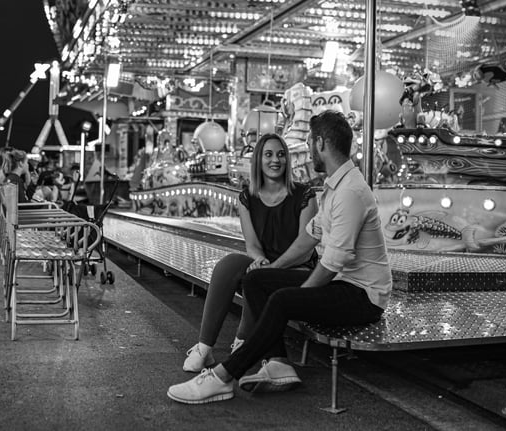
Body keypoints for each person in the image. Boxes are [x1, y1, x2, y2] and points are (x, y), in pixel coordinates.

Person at [167, 110, 392, 404]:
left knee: (282, 300)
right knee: (257, 280)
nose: (308, 150)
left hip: (363, 297)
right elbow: (309, 236)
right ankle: (278, 363)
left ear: (321, 143)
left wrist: (299, 297)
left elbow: (332, 262)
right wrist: (272, 270)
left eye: (310, 143)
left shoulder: (350, 191)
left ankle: (222, 377)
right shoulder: (336, 186)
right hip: (343, 284)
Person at [182, 133, 317, 374]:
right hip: (267, 265)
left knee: (258, 279)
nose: (275, 160)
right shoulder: (247, 197)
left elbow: (304, 249)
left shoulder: (304, 194)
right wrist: (260, 260)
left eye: (281, 154)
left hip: (299, 269)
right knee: (229, 264)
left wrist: (271, 268)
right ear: (258, 160)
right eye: (268, 154)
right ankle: (204, 347)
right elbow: (252, 244)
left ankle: (242, 342)